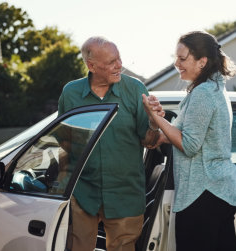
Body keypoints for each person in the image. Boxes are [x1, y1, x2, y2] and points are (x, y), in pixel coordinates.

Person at [142, 31, 236, 251]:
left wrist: (156, 118)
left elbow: (189, 145)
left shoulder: (204, 93)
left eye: (182, 59)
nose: (176, 64)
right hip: (218, 191)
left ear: (202, 62)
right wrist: (160, 126)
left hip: (204, 192)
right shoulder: (212, 89)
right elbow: (173, 137)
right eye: (176, 58)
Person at [58, 36, 163, 251]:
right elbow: (64, 142)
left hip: (125, 194)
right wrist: (62, 186)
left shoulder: (135, 89)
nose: (119, 66)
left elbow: (149, 142)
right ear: (92, 65)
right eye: (111, 62)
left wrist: (153, 124)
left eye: (119, 59)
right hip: (83, 193)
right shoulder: (71, 93)